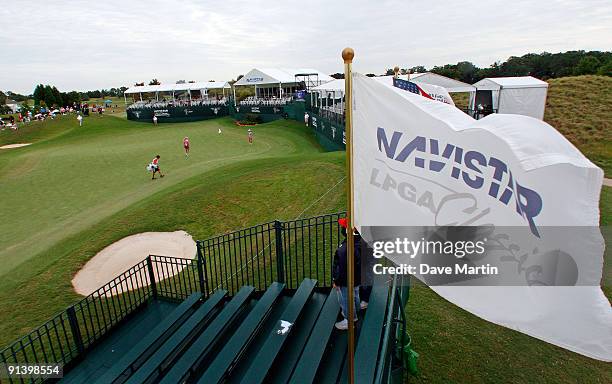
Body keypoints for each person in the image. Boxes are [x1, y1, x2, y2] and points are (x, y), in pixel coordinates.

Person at [332, 217, 361, 330]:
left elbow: (342, 269)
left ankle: (349, 320)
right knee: (355, 294)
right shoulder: (358, 242)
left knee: (346, 299)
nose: (342, 228)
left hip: (346, 280)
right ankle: (356, 310)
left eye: (343, 227)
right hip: (357, 277)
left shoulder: (345, 249)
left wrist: (336, 281)